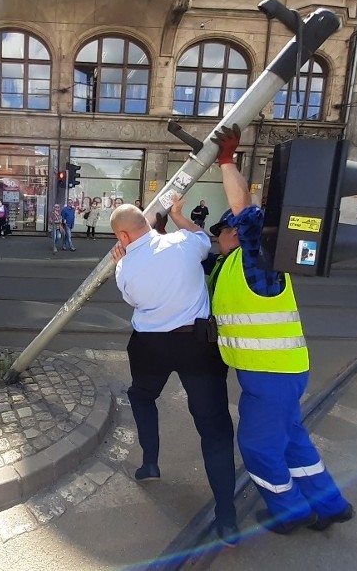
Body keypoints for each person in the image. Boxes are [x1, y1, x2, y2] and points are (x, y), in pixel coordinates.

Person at [206, 123, 354, 535]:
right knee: (291, 441)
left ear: (235, 233)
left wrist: (226, 162)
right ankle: (330, 505)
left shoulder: (259, 262)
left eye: (221, 232)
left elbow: (248, 213)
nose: (216, 239)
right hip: (279, 371)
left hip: (270, 376)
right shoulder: (239, 264)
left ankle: (290, 513)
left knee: (258, 447)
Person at [109, 202, 239, 547]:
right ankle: (226, 517)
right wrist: (181, 214)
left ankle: (150, 462)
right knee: (214, 428)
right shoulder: (184, 242)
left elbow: (134, 299)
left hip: (150, 346)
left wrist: (122, 263)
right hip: (197, 345)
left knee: (142, 395)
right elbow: (203, 240)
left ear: (122, 236)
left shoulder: (126, 268)